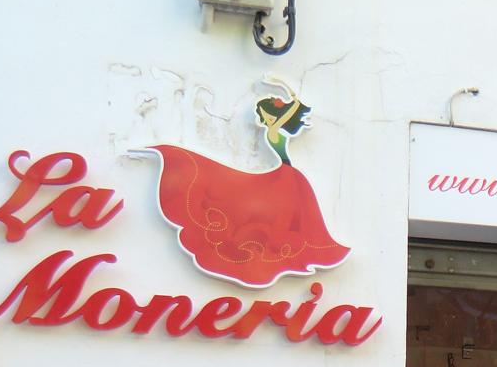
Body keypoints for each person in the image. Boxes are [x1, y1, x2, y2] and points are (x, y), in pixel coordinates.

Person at [148, 86, 350, 287]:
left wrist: (286, 90)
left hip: (286, 174)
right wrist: (287, 92)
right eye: (263, 116)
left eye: (266, 115)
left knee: (294, 214)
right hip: (284, 175)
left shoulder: (276, 129)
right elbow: (290, 111)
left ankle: (293, 246)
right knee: (279, 212)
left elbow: (291, 110)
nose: (264, 119)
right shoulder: (273, 131)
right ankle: (277, 247)